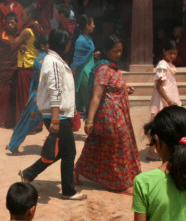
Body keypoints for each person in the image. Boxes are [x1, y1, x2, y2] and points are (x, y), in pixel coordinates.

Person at [20, 29, 86, 201]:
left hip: (58, 114)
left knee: (58, 152)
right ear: (65, 45)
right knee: (69, 152)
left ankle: (29, 173)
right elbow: (55, 90)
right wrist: (56, 118)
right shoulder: (54, 63)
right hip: (57, 116)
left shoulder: (53, 60)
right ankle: (68, 191)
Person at [75, 35, 141, 192]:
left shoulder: (113, 67)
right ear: (106, 50)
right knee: (117, 148)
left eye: (120, 50)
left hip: (120, 115)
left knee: (97, 146)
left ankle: (76, 171)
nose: (118, 54)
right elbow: (96, 97)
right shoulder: (103, 69)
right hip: (109, 117)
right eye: (115, 51)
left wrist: (124, 89)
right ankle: (119, 182)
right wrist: (89, 120)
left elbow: (112, 87)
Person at [7, 33, 49, 154]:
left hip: (38, 95)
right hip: (40, 96)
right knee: (27, 122)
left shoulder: (41, 59)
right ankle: (13, 145)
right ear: (43, 46)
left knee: (27, 121)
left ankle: (13, 144)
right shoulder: (42, 61)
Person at [12, 7, 42, 122]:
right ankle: (36, 123)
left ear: (30, 15)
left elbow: (13, 44)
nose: (21, 17)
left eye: (23, 15)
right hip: (36, 64)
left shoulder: (27, 31)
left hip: (26, 66)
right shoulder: (39, 27)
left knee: (25, 97)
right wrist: (20, 45)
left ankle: (26, 124)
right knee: (34, 96)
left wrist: (18, 45)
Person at [72, 15, 99, 117]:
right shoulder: (80, 41)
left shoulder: (88, 38)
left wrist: (93, 55)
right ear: (87, 25)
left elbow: (85, 54)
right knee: (88, 100)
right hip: (83, 73)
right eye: (92, 23)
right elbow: (77, 58)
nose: (94, 26)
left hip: (89, 70)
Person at [0, 13, 20, 128]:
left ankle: (15, 120)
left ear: (16, 23)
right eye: (8, 23)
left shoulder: (20, 34)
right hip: (5, 68)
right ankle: (4, 121)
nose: (10, 25)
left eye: (12, 23)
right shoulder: (1, 35)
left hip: (15, 69)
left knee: (15, 94)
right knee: (4, 94)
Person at [150, 40, 182, 116]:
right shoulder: (162, 65)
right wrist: (168, 101)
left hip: (171, 96)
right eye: (170, 53)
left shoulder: (170, 65)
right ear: (164, 51)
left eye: (175, 53)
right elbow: (159, 86)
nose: (172, 56)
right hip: (164, 99)